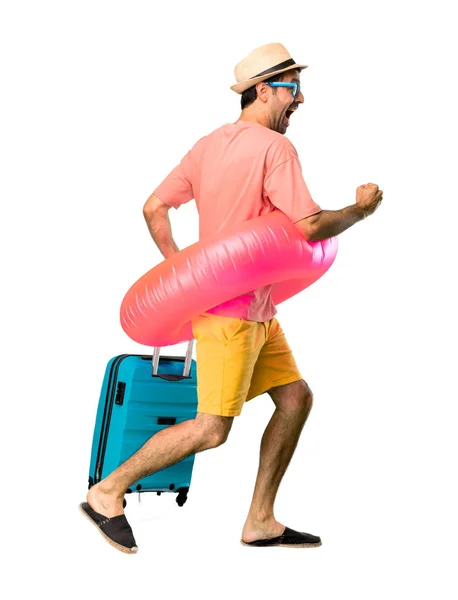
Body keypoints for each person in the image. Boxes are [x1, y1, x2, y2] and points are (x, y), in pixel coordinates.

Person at [80, 42, 383, 554]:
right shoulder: (274, 147)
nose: (301, 99)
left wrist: (183, 270)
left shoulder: (207, 146)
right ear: (263, 91)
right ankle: (106, 493)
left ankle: (260, 520)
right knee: (210, 429)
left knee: (295, 398)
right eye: (293, 88)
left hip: (257, 309)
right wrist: (360, 210)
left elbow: (154, 207)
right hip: (231, 316)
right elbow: (309, 228)